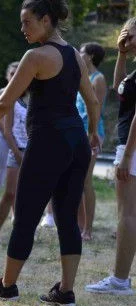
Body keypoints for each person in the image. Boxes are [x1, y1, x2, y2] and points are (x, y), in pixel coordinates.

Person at [0, 0, 100, 306]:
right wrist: (93, 131)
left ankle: (7, 286)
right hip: (76, 143)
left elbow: (5, 101)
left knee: (26, 218)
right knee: (67, 218)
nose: (22, 29)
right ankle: (65, 292)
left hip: (48, 143)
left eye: (27, 22)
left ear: (45, 20)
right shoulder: (73, 53)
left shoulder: (35, 56)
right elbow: (93, 102)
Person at [84, 18, 136, 295]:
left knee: (127, 215)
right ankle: (120, 279)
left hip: (132, 147)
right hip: (130, 146)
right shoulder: (133, 69)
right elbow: (120, 90)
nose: (125, 39)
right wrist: (122, 55)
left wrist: (127, 154)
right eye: (124, 35)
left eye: (130, 35)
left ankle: (119, 280)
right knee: (128, 215)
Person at [0, 62, 29, 244]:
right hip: (17, 150)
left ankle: (24, 231)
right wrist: (17, 152)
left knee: (29, 195)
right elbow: (8, 130)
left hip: (34, 151)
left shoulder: (37, 97)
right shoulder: (12, 99)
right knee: (10, 193)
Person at [76, 42, 107, 241]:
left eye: (82, 52)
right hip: (77, 131)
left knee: (86, 180)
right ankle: (79, 226)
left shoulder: (99, 79)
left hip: (92, 132)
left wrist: (92, 133)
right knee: (76, 180)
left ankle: (88, 230)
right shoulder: (81, 76)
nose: (79, 54)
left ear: (91, 56)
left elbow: (96, 108)